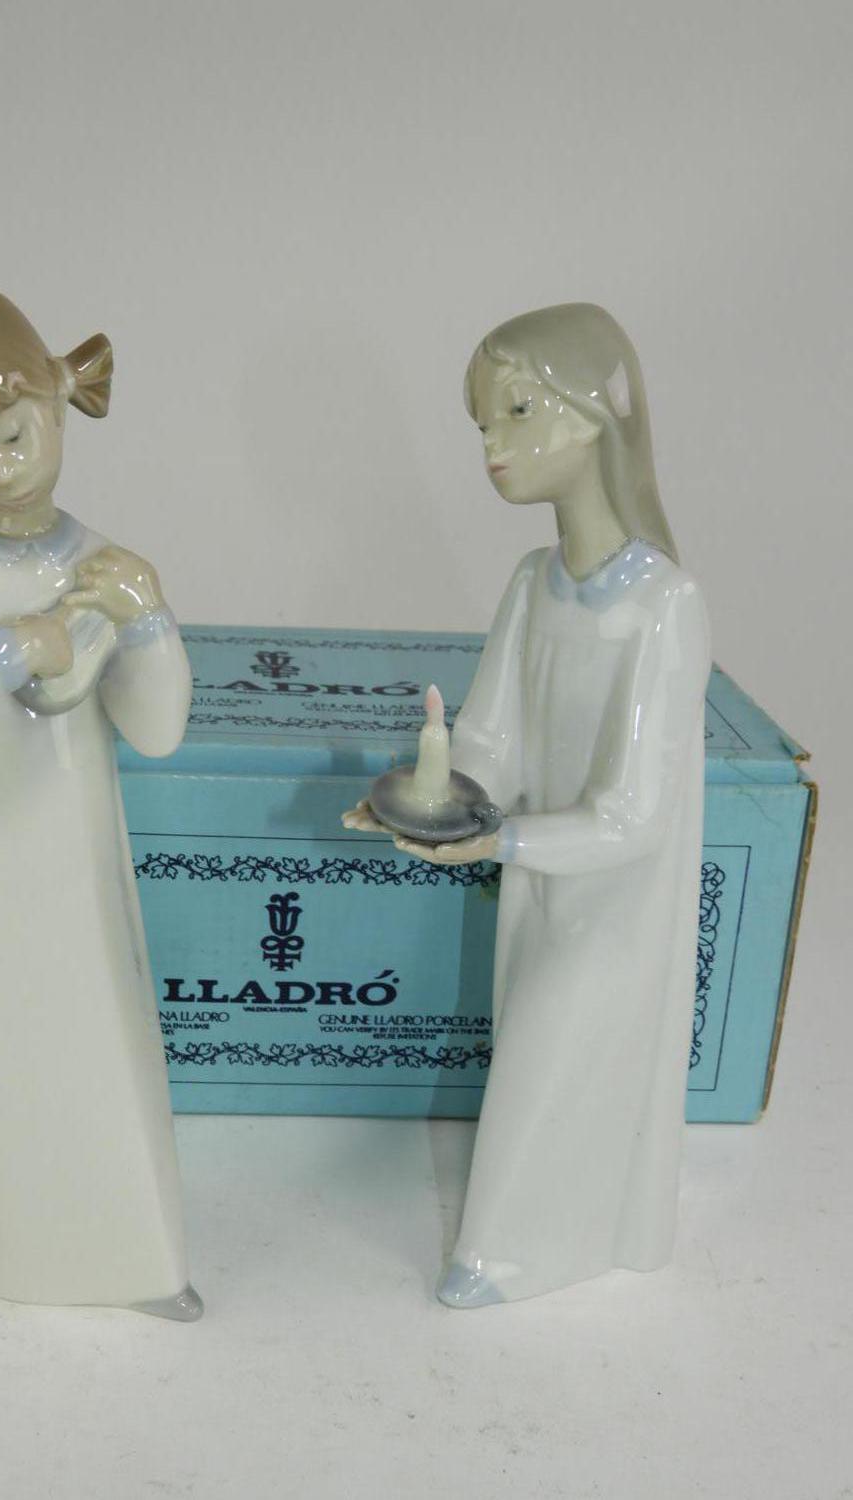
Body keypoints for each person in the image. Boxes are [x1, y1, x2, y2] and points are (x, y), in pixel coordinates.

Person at [346, 304, 711, 1307]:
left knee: (546, 1058)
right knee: (539, 1050)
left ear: (593, 418)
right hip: (539, 884)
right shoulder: (531, 584)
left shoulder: (664, 606)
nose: (491, 445)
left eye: (515, 412)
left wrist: (498, 840)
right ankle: (560, 1229)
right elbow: (490, 743)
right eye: (482, 424)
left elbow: (634, 814)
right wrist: (426, 795)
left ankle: (501, 1254)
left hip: (614, 899)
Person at [0, 276, 201, 1317]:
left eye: (11, 433)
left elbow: (156, 729)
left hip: (70, 852)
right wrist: (17, 646)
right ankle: (7, 1243)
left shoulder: (102, 563)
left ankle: (120, 1254)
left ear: (57, 397)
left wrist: (149, 620)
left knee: (92, 1039)